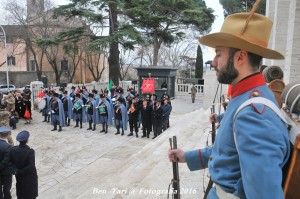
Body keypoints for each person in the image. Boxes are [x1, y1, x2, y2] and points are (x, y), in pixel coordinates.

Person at [168, 10, 290, 199]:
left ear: (240, 57)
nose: (214, 62)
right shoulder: (246, 97)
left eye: (218, 54)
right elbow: (229, 151)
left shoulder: (253, 114)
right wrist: (188, 157)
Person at [10, 130, 38, 199]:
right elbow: (31, 166)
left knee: (21, 192)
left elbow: (10, 163)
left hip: (19, 176)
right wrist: (20, 171)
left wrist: (16, 171)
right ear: (27, 140)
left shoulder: (13, 150)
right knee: (30, 193)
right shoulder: (30, 151)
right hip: (29, 177)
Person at [0, 126, 14, 199]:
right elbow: (6, 161)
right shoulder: (7, 147)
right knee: (6, 188)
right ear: (8, 135)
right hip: (6, 172)